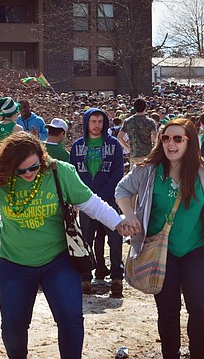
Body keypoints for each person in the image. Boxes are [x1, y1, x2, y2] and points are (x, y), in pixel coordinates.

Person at [0, 132, 138, 359]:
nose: (28, 174)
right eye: (21, 170)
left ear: (42, 158)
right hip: (14, 263)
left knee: (71, 319)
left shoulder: (59, 172)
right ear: (9, 167)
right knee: (13, 328)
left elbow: (90, 203)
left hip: (58, 260)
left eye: (34, 168)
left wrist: (118, 223)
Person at [116, 118, 204, 359]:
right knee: (168, 311)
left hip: (196, 249)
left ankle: (198, 352)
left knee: (199, 309)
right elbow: (122, 190)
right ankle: (171, 354)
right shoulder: (148, 169)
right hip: (162, 252)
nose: (171, 143)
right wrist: (129, 216)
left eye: (178, 138)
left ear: (189, 142)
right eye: (166, 138)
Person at [69, 108, 125, 296]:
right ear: (86, 123)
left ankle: (117, 276)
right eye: (93, 121)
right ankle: (86, 277)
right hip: (85, 200)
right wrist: (82, 196)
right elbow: (73, 174)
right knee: (86, 239)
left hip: (109, 199)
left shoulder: (114, 144)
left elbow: (118, 172)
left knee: (115, 237)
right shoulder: (77, 147)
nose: (97, 125)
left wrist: (103, 194)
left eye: (100, 121)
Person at [119, 97, 158, 166]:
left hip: (134, 154)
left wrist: (128, 148)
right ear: (145, 107)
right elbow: (156, 138)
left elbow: (119, 137)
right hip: (147, 154)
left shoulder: (128, 121)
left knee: (134, 175)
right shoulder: (150, 121)